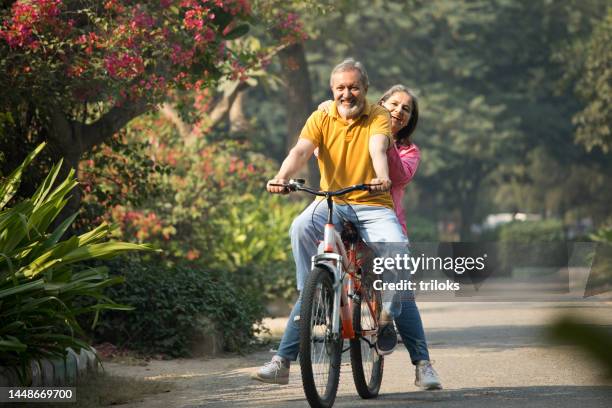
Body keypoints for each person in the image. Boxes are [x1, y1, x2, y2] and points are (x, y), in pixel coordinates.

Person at [251, 59, 441, 390]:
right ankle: (309, 298)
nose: (346, 93)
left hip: (374, 208)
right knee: (300, 228)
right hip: (333, 201)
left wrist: (380, 176)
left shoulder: (386, 126)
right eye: (340, 88)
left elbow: (378, 149)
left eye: (353, 87)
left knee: (399, 268)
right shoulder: (322, 115)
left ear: (367, 91)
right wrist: (281, 178)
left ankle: (414, 353)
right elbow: (300, 151)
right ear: (332, 90)